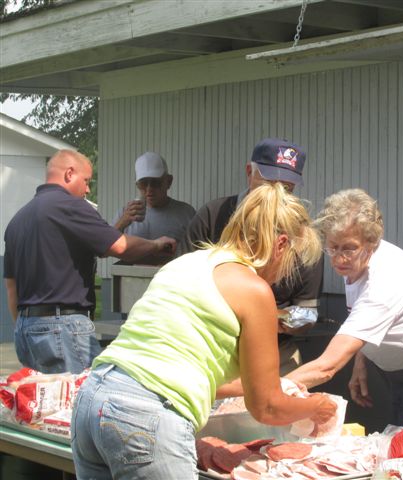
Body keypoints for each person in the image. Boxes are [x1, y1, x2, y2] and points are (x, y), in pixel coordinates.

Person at [71, 184, 337, 480]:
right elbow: (267, 408)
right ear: (281, 245)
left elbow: (183, 369)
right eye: (292, 261)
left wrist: (276, 384)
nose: (286, 272)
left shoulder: (187, 263)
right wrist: (316, 405)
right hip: (146, 416)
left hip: (93, 399)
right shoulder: (253, 289)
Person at [286, 188, 403, 427]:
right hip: (399, 369)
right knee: (398, 439)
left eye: (348, 248)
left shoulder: (385, 280)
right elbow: (364, 319)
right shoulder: (354, 261)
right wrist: (360, 362)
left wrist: (271, 392)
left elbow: (327, 366)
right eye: (333, 247)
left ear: (371, 242)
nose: (339, 258)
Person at [3, 150, 177, 375]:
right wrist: (156, 245)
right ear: (69, 174)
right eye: (86, 181)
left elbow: (11, 288)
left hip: (25, 330)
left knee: (44, 405)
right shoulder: (71, 206)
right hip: (63, 327)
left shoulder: (18, 220)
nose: (87, 190)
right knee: (82, 401)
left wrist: (24, 327)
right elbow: (118, 246)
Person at [178, 138, 323, 374]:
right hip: (207, 346)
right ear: (249, 172)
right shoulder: (213, 215)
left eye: (286, 187)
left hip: (276, 351)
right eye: (268, 182)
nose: (276, 193)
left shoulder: (303, 233)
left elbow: (308, 312)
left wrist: (269, 319)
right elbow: (181, 285)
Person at [113, 151, 195, 250]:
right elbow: (105, 245)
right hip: (129, 266)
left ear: (168, 181)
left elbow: (200, 252)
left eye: (155, 183)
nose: (149, 189)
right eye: (143, 183)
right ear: (137, 184)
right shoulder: (125, 213)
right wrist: (123, 221)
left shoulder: (186, 213)